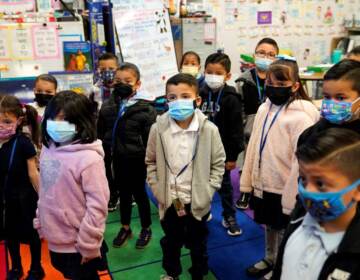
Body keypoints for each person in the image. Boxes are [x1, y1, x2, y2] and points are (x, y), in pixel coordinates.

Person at [240, 58, 319, 279]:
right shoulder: (264, 108)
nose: (274, 89)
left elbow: (302, 160)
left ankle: (282, 267)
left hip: (285, 187)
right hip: (264, 182)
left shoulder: (301, 118)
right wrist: (250, 179)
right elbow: (254, 144)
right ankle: (269, 258)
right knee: (269, 226)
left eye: (281, 85)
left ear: (295, 86)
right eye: (271, 84)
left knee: (285, 229)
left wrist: (293, 191)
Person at [146, 73, 226, 280]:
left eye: (184, 95)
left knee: (198, 243)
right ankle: (172, 272)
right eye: (172, 97)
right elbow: (151, 161)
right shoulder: (158, 129)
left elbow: (218, 164)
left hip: (197, 201)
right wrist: (157, 189)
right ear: (166, 100)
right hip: (170, 200)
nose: (178, 101)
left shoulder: (209, 130)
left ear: (197, 100)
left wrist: (208, 191)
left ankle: (198, 273)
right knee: (171, 241)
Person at [34, 91, 109, 280]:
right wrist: (41, 220)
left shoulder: (89, 158)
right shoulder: (48, 148)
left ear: (80, 122)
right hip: (55, 237)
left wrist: (89, 244)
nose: (56, 125)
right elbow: (46, 189)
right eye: (53, 118)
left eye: (65, 120)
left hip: (78, 243)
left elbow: (98, 205)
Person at [272, 128, 360, 280]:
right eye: (303, 179)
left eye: (320, 183)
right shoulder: (299, 215)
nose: (307, 192)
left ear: (357, 190)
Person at [111, 63, 157, 249]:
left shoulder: (146, 110)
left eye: (127, 81)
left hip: (137, 161)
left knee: (139, 194)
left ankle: (146, 228)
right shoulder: (111, 104)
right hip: (118, 159)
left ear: (137, 84)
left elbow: (150, 142)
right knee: (123, 194)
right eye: (118, 81)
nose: (122, 84)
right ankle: (125, 227)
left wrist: (148, 162)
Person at [199, 51, 244, 236]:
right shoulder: (199, 94)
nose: (213, 76)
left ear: (228, 76)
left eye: (218, 73)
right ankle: (203, 211)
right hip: (201, 151)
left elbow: (236, 131)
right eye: (209, 72)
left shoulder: (232, 98)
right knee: (201, 185)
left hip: (222, 154)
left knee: (224, 187)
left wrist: (232, 157)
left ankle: (229, 215)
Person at [0, 95, 44, 280]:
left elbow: (33, 173)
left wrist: (43, 199)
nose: (1, 125)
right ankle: (16, 268)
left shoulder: (24, 143)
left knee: (31, 235)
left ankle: (36, 268)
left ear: (18, 121)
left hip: (25, 198)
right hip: (6, 198)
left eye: (6, 121)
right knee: (10, 235)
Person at [235, 38, 279, 210]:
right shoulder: (243, 81)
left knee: (268, 162)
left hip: (273, 127)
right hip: (250, 128)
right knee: (249, 161)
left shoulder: (278, 79)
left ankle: (264, 193)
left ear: (276, 58)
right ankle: (246, 192)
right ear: (254, 55)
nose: (265, 57)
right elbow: (240, 110)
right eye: (261, 52)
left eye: (270, 54)